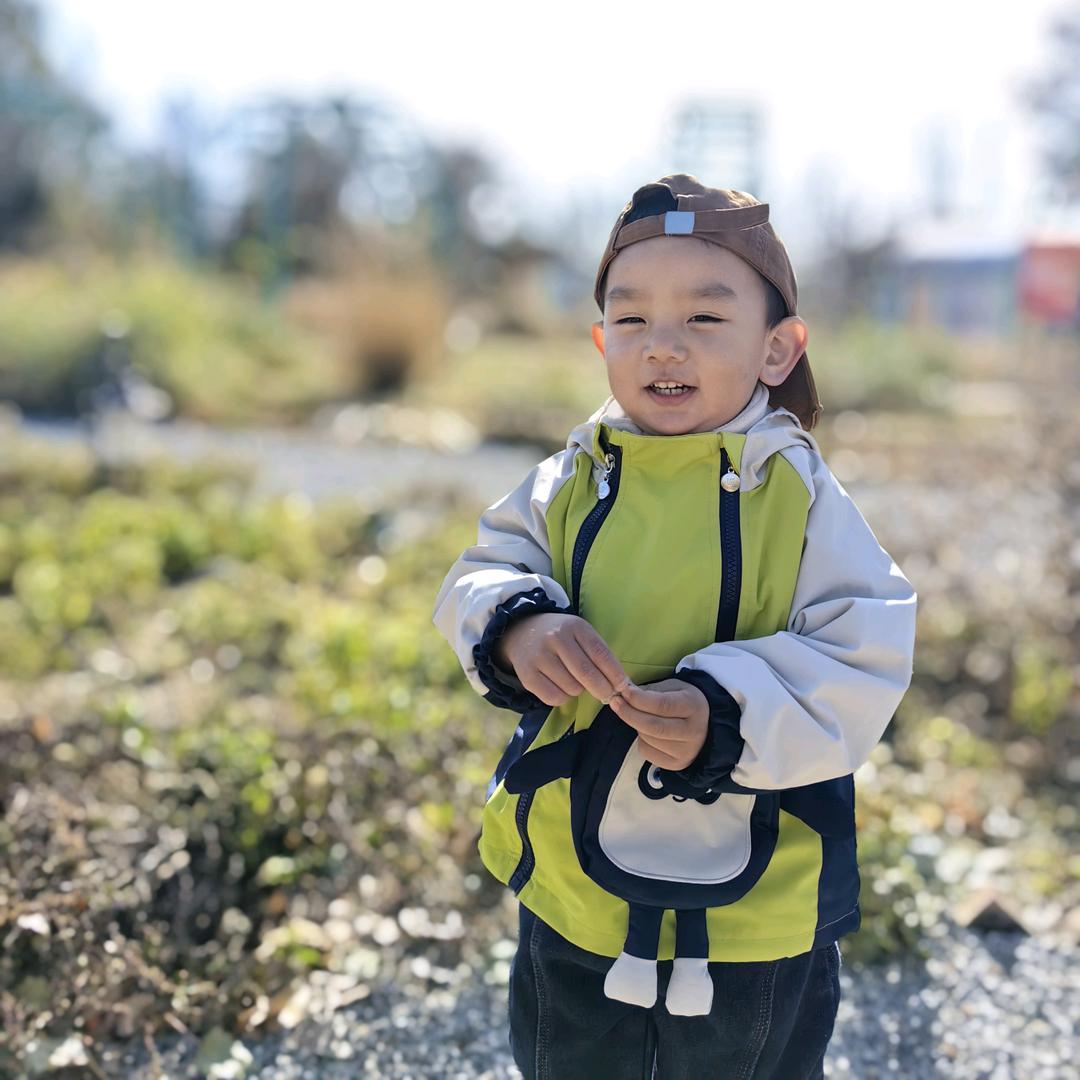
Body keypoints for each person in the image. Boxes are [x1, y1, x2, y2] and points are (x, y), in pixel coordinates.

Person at [432, 174, 918, 1079]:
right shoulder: (570, 477)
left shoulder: (799, 496)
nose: (663, 347)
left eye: (703, 320)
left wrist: (724, 714)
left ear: (777, 349)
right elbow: (481, 572)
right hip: (574, 875)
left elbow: (867, 652)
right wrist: (518, 628)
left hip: (757, 899)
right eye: (632, 320)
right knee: (566, 1055)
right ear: (599, 339)